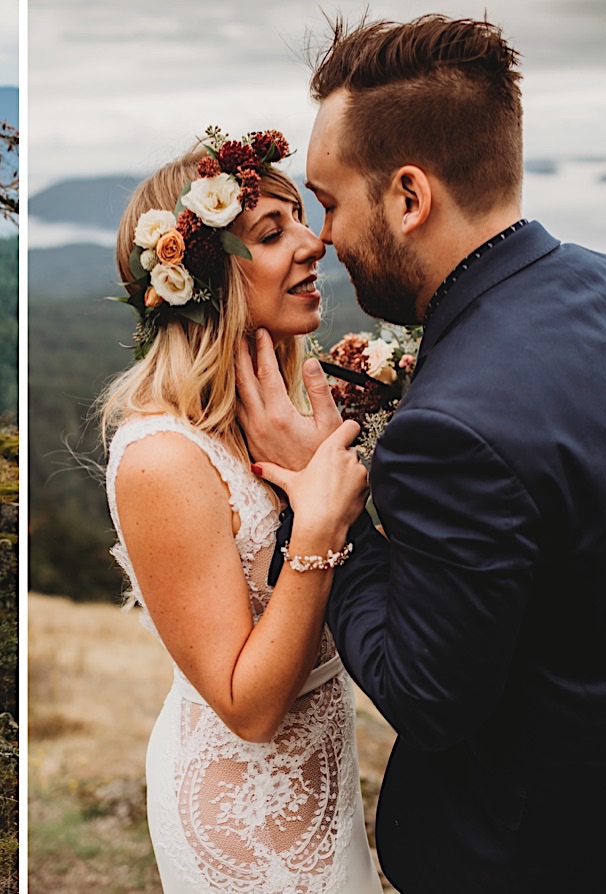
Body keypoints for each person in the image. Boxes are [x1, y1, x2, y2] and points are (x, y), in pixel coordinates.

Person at [236, 15, 606, 893]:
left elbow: (429, 697)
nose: (323, 238)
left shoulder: (452, 431)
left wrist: (318, 498)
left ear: (408, 197)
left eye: (330, 201)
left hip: (526, 854)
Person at [98, 128, 381, 893]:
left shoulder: (282, 418)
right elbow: (247, 708)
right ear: (205, 278)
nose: (312, 243)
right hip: (245, 826)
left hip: (328, 790)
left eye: (301, 218)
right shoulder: (163, 458)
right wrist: (318, 521)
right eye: (271, 231)